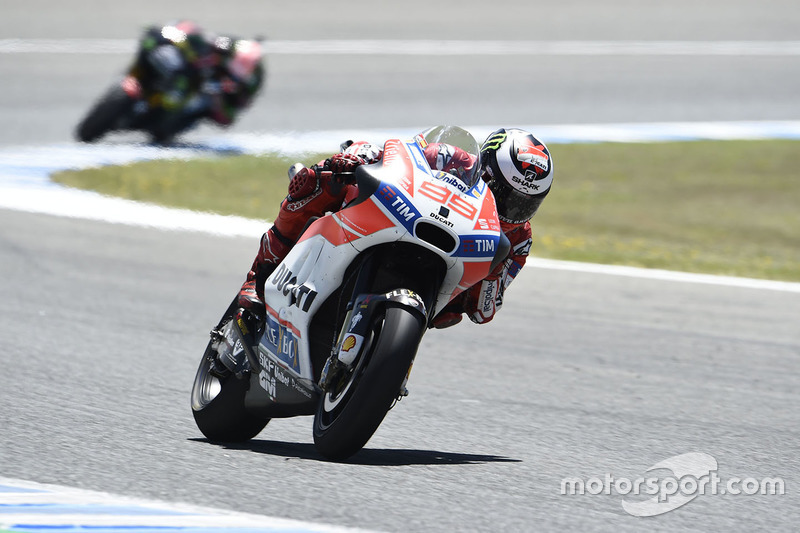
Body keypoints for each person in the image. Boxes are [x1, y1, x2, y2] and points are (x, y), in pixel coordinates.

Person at [238, 127, 554, 328]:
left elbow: (482, 312)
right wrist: (361, 154)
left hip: (444, 280)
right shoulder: (453, 158)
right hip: (407, 217)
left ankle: (385, 353)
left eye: (525, 204)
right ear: (485, 168)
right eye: (506, 195)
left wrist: (495, 270)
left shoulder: (519, 238)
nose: (511, 211)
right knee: (320, 180)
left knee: (450, 316)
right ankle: (259, 275)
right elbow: (403, 154)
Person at [132, 20, 265, 142]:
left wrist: (218, 97)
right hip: (193, 76)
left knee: (173, 126)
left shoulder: (251, 84)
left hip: (207, 101)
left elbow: (228, 117)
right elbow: (202, 40)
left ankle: (167, 125)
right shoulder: (226, 46)